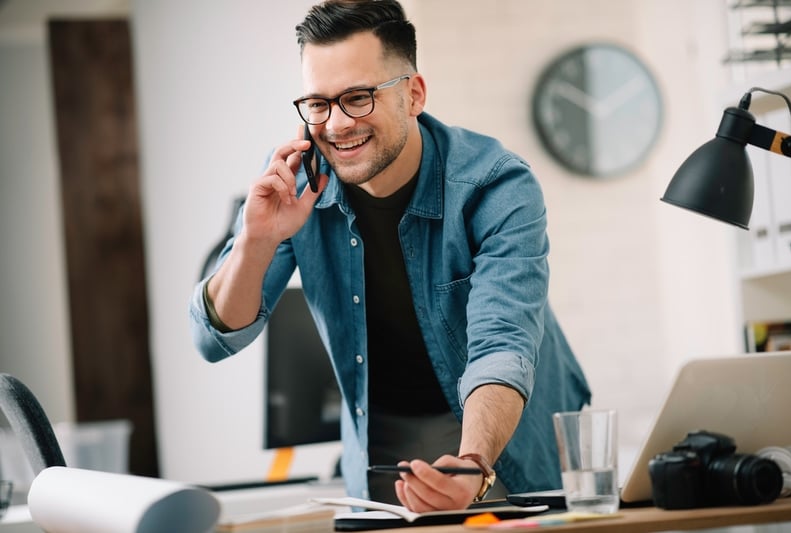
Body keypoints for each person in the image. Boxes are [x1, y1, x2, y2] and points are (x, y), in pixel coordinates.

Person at [189, 0, 591, 512]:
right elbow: (210, 338)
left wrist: (472, 464)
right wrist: (257, 240)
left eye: (357, 97)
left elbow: (502, 345)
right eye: (318, 103)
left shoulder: (496, 185)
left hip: (506, 430)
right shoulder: (294, 185)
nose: (335, 125)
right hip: (386, 444)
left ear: (413, 94)